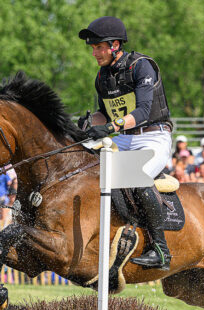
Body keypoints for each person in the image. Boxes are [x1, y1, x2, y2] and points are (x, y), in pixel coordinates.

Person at [78, 16, 174, 270]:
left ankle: (161, 251)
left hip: (152, 136)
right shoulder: (102, 76)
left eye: (99, 47)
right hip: (122, 137)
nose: (95, 53)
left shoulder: (141, 67)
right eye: (94, 48)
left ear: (115, 45)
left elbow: (142, 111)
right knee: (82, 163)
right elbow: (105, 115)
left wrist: (110, 128)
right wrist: (91, 123)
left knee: (136, 179)